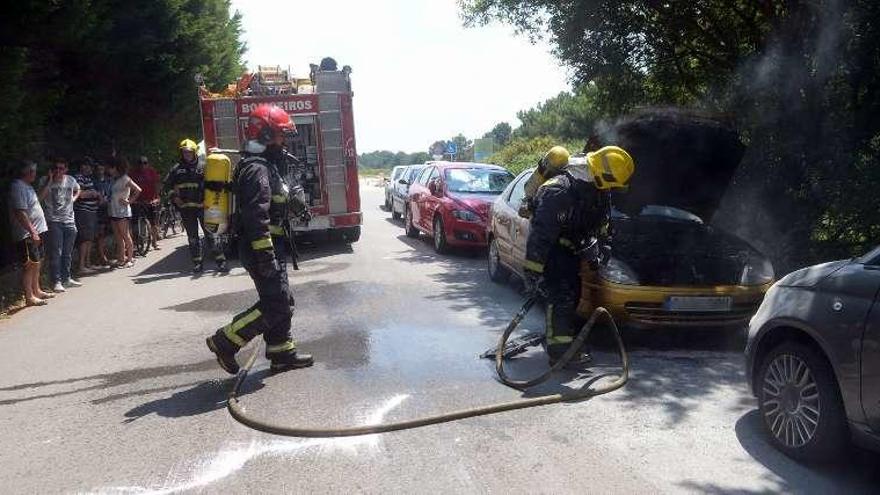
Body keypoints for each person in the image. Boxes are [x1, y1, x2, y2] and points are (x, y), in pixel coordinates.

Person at [206, 104, 313, 374]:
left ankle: (281, 353)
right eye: (280, 135)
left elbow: (273, 203)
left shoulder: (264, 166)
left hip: (270, 246)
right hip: (261, 248)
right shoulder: (257, 170)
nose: (283, 141)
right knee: (277, 304)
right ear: (265, 135)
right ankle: (225, 341)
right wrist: (265, 256)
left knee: (282, 299)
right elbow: (256, 217)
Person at [521, 145, 635, 366]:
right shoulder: (559, 191)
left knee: (572, 296)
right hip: (554, 249)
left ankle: (564, 342)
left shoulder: (599, 188)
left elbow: (603, 223)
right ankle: (559, 353)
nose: (611, 189)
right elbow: (540, 236)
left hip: (572, 250)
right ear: (602, 174)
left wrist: (602, 249)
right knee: (561, 298)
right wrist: (532, 272)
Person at [165, 139, 227, 273]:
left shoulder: (204, 167)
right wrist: (174, 197)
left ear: (194, 152)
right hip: (186, 209)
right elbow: (167, 185)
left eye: (189, 152)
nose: (187, 154)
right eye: (184, 152)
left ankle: (221, 261)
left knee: (211, 234)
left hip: (203, 207)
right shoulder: (176, 169)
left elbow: (213, 185)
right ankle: (197, 263)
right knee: (193, 238)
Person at [8, 160, 54, 306]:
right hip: (27, 233)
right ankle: (29, 296)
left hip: (36, 231)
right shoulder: (18, 187)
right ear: (27, 172)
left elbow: (37, 202)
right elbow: (20, 211)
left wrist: (49, 183)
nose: (35, 173)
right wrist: (32, 231)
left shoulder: (27, 186)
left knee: (37, 262)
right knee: (30, 264)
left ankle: (37, 290)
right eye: (33, 171)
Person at [38, 158, 81, 292]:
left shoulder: (70, 180)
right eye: (56, 168)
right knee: (56, 252)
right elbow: (39, 198)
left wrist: (74, 198)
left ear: (66, 169)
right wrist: (50, 181)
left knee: (67, 253)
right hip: (54, 221)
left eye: (61, 168)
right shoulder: (45, 181)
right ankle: (56, 281)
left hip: (69, 220)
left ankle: (66, 278)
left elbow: (78, 189)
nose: (58, 171)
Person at [107, 157, 142, 268]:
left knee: (125, 235)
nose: (109, 170)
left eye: (110, 168)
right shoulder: (113, 179)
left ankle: (130, 259)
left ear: (116, 168)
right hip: (113, 210)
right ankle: (121, 258)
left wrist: (129, 201)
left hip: (122, 211)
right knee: (118, 236)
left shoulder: (125, 179)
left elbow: (138, 190)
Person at [73, 158, 101, 274]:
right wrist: (94, 193)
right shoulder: (78, 178)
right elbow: (80, 195)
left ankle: (88, 263)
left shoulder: (89, 179)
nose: (91, 168)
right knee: (84, 239)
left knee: (90, 239)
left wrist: (98, 196)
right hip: (83, 212)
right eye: (89, 166)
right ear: (83, 166)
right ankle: (82, 265)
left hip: (91, 212)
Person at [129, 155, 161, 250]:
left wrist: (157, 197)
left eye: (145, 163)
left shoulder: (151, 171)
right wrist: (131, 199)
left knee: (153, 223)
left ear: (147, 164)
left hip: (150, 200)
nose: (142, 165)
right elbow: (129, 187)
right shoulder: (133, 173)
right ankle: (136, 243)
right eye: (140, 163)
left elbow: (157, 184)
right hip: (138, 201)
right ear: (137, 165)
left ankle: (154, 242)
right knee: (135, 222)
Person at [93, 160, 114, 267]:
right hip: (98, 210)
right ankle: (102, 257)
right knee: (100, 234)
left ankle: (106, 254)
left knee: (107, 233)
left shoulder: (109, 181)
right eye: (98, 169)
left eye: (102, 169)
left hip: (109, 209)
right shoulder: (94, 182)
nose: (100, 171)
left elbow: (111, 194)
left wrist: (108, 200)